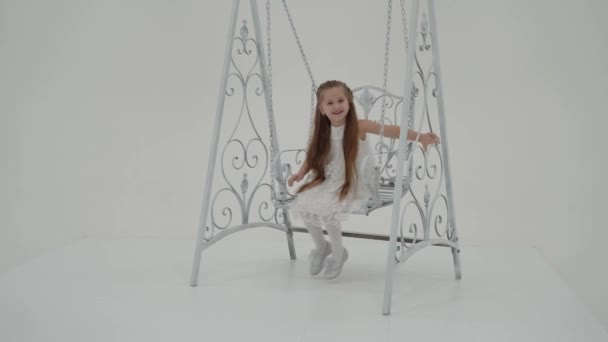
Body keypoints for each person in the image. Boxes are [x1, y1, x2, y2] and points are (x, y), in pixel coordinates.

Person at [288, 80, 440, 279]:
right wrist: (300, 173)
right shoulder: (322, 131)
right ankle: (322, 247)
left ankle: (338, 251)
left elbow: (393, 130)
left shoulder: (360, 126)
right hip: (328, 180)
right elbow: (312, 155)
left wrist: (420, 137)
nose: (336, 106)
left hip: (354, 181)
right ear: (322, 108)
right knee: (304, 204)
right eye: (330, 103)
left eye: (341, 100)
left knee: (329, 208)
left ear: (349, 102)